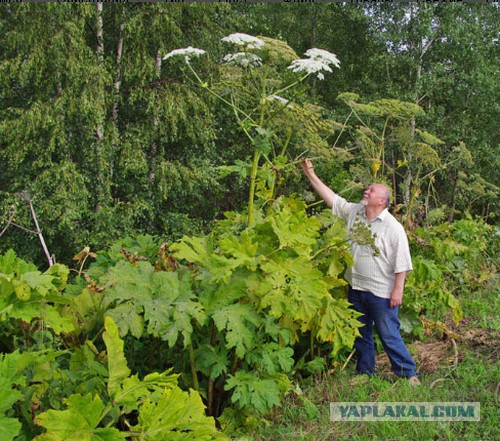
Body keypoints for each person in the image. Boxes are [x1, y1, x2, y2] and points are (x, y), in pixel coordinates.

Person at [301, 159, 419, 385]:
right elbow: (333, 199)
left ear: (382, 201)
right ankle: (366, 372)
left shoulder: (393, 228)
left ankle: (408, 374)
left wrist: (398, 291)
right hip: (356, 288)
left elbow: (402, 263)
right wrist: (311, 174)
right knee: (360, 334)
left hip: (381, 294)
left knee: (388, 335)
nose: (366, 190)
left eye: (371, 190)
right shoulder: (355, 212)